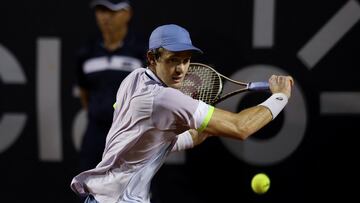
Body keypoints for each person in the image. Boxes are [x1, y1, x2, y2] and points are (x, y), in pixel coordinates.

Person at [70, 24, 294, 203]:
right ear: (152, 58)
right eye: (172, 60)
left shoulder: (134, 78)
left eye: (186, 60)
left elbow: (155, 140)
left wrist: (208, 128)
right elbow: (241, 128)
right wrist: (280, 97)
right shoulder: (165, 99)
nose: (180, 70)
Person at [75, 0, 146, 174]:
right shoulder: (86, 52)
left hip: (131, 134)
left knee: (135, 194)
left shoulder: (142, 51)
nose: (105, 17)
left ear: (127, 14)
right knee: (88, 191)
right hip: (95, 133)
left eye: (112, 11)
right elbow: (84, 92)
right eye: (101, 11)